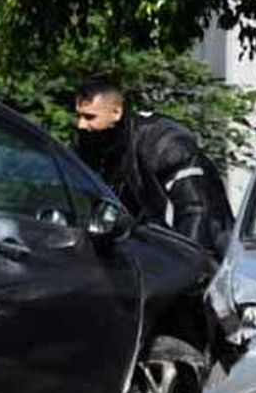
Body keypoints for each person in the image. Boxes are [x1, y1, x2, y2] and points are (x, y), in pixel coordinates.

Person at [73, 75, 233, 258]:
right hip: (144, 257)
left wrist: (184, 267)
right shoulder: (93, 147)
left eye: (89, 117)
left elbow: (197, 211)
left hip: (207, 257)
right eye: (78, 116)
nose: (81, 125)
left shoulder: (163, 142)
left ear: (116, 112)